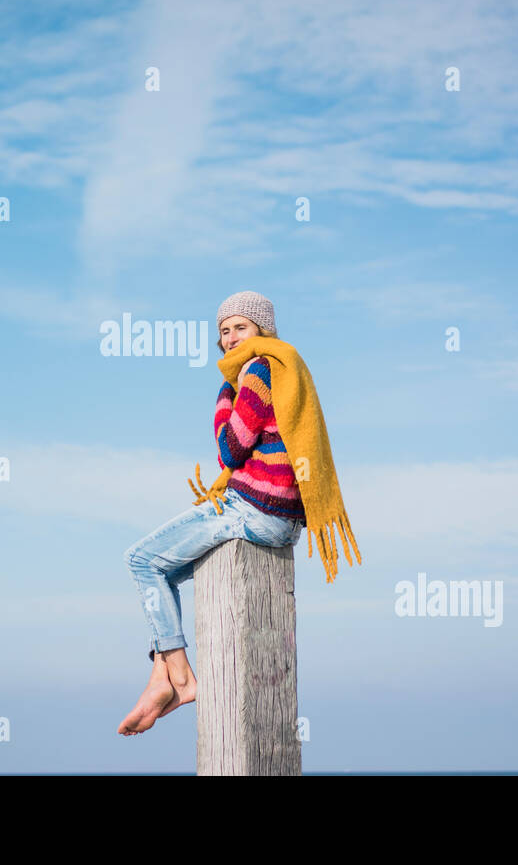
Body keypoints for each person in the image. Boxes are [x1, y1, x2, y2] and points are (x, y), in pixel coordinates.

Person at [118, 291, 310, 737]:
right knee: (161, 572)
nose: (229, 338)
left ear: (263, 331)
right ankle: (160, 677)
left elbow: (231, 448)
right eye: (223, 331)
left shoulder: (260, 370)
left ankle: (180, 680)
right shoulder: (283, 368)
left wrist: (227, 391)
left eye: (240, 327)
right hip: (279, 517)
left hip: (256, 508)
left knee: (142, 560)